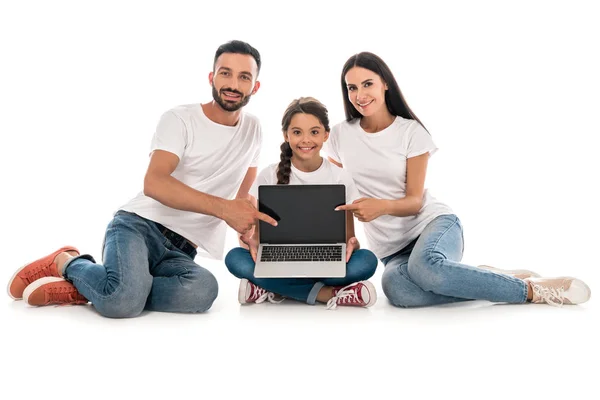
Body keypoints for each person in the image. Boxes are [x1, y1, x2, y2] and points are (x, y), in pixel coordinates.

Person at [7, 40, 278, 317]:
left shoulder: (254, 129)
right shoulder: (180, 119)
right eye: (225, 73)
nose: (233, 84)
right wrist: (223, 209)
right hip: (138, 228)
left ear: (255, 86)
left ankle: (104, 287)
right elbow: (154, 182)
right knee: (123, 303)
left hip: (181, 251)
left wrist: (250, 232)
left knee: (203, 291)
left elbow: (240, 197)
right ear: (212, 77)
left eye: (244, 77)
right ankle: (67, 262)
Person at [327, 52, 591, 308]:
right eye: (352, 88)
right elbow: (343, 196)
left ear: (385, 83)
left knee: (425, 266)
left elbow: (414, 202)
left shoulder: (410, 132)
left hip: (432, 226)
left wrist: (380, 206)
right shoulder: (340, 135)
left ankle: (532, 290)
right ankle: (481, 278)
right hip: (392, 251)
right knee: (398, 290)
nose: (359, 95)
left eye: (367, 84)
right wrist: (349, 236)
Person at [225, 97, 378, 310]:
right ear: (286, 135)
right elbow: (259, 237)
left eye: (314, 132)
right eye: (297, 132)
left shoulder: (340, 177)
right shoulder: (268, 175)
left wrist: (353, 245)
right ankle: (326, 293)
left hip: (325, 259)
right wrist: (253, 242)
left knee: (367, 261)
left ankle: (271, 288)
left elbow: (349, 238)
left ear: (326, 134)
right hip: (279, 259)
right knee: (234, 258)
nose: (306, 140)